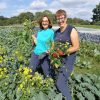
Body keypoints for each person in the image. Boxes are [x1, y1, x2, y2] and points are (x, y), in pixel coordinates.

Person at [53, 9, 79, 100]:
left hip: (68, 61)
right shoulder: (56, 32)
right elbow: (54, 46)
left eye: (62, 18)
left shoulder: (71, 29)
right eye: (58, 19)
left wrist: (62, 52)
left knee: (60, 83)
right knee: (60, 79)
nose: (60, 21)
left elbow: (76, 47)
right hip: (58, 61)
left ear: (66, 18)